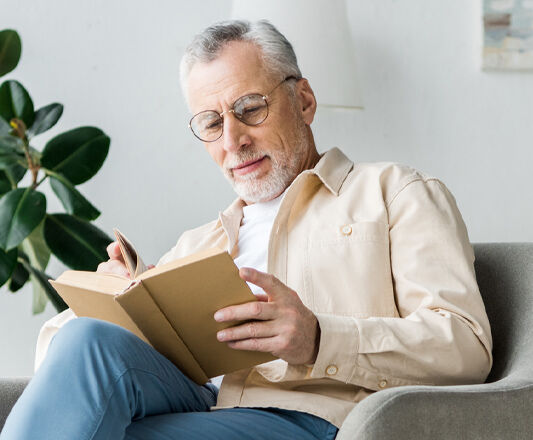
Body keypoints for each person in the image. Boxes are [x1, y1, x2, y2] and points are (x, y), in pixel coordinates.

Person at [0, 20, 493, 440]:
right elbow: (66, 362)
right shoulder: (200, 242)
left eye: (250, 109)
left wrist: (320, 339)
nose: (232, 140)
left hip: (309, 418)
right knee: (87, 341)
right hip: (198, 405)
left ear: (303, 100)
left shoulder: (394, 193)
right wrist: (118, 305)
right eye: (211, 123)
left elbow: (467, 347)